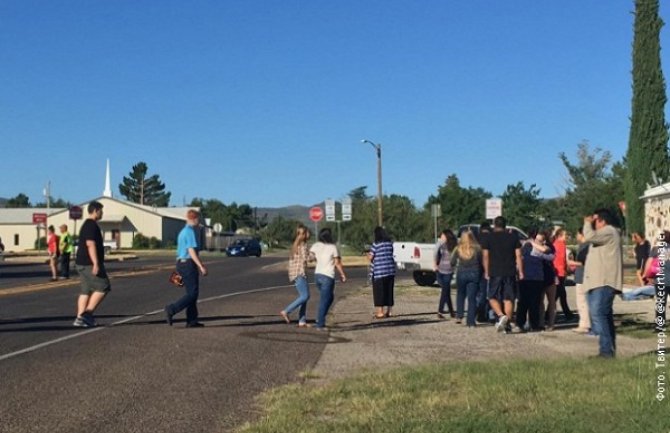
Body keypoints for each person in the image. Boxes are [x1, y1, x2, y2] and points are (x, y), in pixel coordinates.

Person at [583, 208, 623, 358]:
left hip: (604, 281)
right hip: (598, 281)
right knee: (604, 315)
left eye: (595, 220)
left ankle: (606, 351)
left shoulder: (608, 230)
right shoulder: (607, 233)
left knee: (599, 313)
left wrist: (587, 223)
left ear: (601, 220)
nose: (593, 223)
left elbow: (589, 236)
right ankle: (608, 349)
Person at [165, 210, 208, 328]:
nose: (198, 222)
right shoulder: (189, 232)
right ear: (193, 219)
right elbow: (191, 251)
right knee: (193, 293)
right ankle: (172, 309)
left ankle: (192, 320)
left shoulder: (183, 232)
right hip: (188, 263)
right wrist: (201, 266)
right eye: (198, 219)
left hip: (181, 262)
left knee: (190, 292)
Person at [481, 216, 523, 333]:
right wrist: (521, 271)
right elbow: (518, 255)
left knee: (492, 296)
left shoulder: (488, 238)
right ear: (505, 225)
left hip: (495, 271)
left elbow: (485, 256)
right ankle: (507, 324)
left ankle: (500, 315)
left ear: (495, 225)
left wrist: (486, 270)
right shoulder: (513, 237)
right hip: (510, 271)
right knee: (508, 298)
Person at [73, 201, 110, 327]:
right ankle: (87, 314)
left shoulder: (88, 225)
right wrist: (96, 263)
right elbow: (90, 244)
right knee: (103, 286)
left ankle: (79, 318)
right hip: (88, 263)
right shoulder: (91, 225)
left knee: (86, 290)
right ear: (95, 211)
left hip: (81, 263)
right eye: (101, 210)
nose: (102, 213)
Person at [517, 230, 554, 332]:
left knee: (534, 303)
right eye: (537, 239)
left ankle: (534, 324)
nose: (538, 241)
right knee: (523, 302)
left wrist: (534, 244)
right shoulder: (524, 247)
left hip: (536, 278)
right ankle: (521, 323)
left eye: (540, 240)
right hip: (525, 278)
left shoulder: (541, 249)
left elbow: (550, 255)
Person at [309, 228, 346, 330]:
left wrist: (313, 257)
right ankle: (320, 323)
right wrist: (342, 274)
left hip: (317, 275)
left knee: (329, 298)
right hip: (328, 276)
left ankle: (321, 318)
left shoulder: (316, 245)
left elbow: (310, 258)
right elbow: (337, 263)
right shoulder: (332, 247)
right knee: (324, 300)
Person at [280, 225, 312, 327]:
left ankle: (302, 321)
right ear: (303, 235)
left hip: (295, 273)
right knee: (305, 296)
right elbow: (307, 258)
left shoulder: (295, 245)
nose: (309, 234)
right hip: (299, 273)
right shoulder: (303, 245)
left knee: (304, 297)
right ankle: (286, 311)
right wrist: (315, 255)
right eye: (307, 232)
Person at [450, 231, 482, 327]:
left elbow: (452, 262)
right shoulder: (477, 249)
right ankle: (471, 322)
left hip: (462, 273)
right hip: (474, 273)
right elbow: (481, 261)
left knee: (460, 294)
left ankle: (459, 315)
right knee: (472, 298)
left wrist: (455, 267)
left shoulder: (458, 249)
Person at [369, 226, 396, 319]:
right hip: (390, 270)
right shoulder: (389, 243)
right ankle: (389, 311)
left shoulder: (375, 244)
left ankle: (380, 312)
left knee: (379, 292)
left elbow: (371, 257)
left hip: (379, 272)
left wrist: (367, 255)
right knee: (389, 291)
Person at [569, 228, 591, 333]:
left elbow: (583, 262)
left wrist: (570, 262)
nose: (576, 236)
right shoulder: (585, 245)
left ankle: (584, 325)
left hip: (583, 277)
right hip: (581, 276)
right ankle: (585, 323)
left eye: (577, 234)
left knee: (582, 302)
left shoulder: (586, 246)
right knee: (583, 302)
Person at [434, 229, 457, 319]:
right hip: (440, 270)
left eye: (443, 235)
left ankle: (440, 311)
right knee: (446, 291)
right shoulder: (441, 244)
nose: (441, 237)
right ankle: (451, 312)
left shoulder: (454, 246)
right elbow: (436, 253)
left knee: (444, 291)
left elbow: (455, 258)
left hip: (448, 271)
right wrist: (435, 264)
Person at [552, 229, 574, 321]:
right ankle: (567, 314)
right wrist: (565, 269)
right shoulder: (561, 245)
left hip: (558, 272)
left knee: (561, 295)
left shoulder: (555, 244)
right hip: (559, 272)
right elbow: (561, 260)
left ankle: (567, 313)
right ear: (560, 236)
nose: (567, 237)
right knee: (559, 294)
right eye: (565, 235)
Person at [540, 230, 558, 331]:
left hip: (548, 276)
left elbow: (545, 250)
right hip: (543, 276)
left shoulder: (549, 247)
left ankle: (550, 323)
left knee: (550, 302)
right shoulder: (549, 246)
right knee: (542, 302)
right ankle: (543, 322)